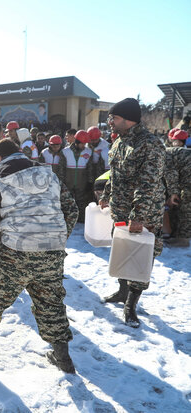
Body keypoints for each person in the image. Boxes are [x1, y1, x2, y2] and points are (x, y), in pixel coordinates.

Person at [0, 139, 78, 376]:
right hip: (51, 253)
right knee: (51, 303)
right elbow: (71, 209)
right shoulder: (49, 175)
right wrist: (54, 238)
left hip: (13, 254)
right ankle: (62, 356)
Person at [99, 98, 166, 328]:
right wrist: (106, 194)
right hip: (120, 211)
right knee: (122, 252)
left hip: (143, 214)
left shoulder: (150, 144)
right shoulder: (119, 142)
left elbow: (148, 184)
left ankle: (131, 304)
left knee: (139, 258)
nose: (110, 122)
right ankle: (122, 291)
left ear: (128, 120)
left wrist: (138, 216)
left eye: (114, 118)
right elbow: (114, 173)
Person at [59, 130, 94, 223]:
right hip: (68, 181)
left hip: (82, 182)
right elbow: (61, 168)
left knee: (81, 202)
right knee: (68, 202)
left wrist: (90, 182)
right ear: (77, 142)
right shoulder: (65, 152)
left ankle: (81, 220)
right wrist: (62, 182)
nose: (84, 145)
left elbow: (90, 168)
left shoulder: (88, 152)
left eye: (85, 143)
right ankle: (67, 220)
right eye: (82, 143)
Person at [163, 130, 191, 247]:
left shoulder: (165, 154)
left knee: (185, 210)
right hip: (186, 182)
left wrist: (173, 193)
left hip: (187, 184)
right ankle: (176, 235)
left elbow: (171, 173)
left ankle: (182, 239)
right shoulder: (182, 151)